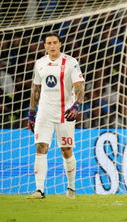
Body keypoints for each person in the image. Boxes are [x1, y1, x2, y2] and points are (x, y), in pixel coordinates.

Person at [27, 32, 85, 199]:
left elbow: (79, 85)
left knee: (66, 150)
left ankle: (71, 188)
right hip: (44, 112)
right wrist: (32, 112)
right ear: (44, 46)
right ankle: (39, 190)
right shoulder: (40, 64)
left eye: (54, 42)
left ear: (60, 44)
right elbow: (36, 89)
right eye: (48, 43)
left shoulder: (70, 62)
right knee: (41, 147)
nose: (51, 46)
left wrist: (76, 104)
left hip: (65, 113)